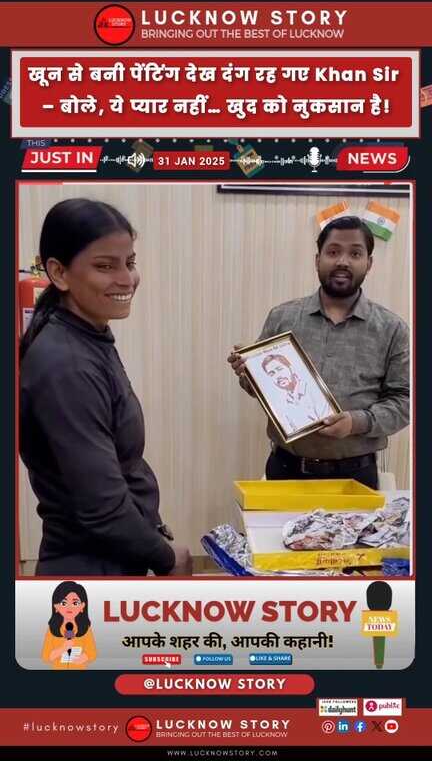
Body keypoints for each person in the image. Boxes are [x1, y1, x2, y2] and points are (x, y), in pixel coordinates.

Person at [20, 198, 192, 576]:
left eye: (129, 262)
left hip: (116, 556)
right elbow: (102, 507)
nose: (127, 279)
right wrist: (167, 558)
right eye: (105, 266)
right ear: (59, 272)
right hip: (88, 572)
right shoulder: (66, 365)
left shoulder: (89, 335)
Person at [228, 215, 410, 489]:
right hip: (285, 468)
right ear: (317, 260)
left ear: (369, 263)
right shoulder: (283, 317)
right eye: (333, 252)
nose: (343, 261)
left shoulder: (392, 329)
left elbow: (405, 401)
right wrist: (248, 373)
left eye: (355, 253)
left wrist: (355, 423)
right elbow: (261, 390)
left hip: (356, 476)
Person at [261, 353, 333, 433]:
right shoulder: (282, 404)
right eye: (272, 374)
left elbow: (328, 424)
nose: (278, 376)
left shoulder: (314, 391)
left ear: (290, 368)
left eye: (279, 369)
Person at [41, 581, 97, 670]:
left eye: (75, 603)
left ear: (82, 606)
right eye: (64, 603)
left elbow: (92, 654)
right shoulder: (52, 628)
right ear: (56, 606)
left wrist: (83, 658)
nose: (69, 607)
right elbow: (46, 657)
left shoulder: (85, 628)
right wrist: (62, 649)